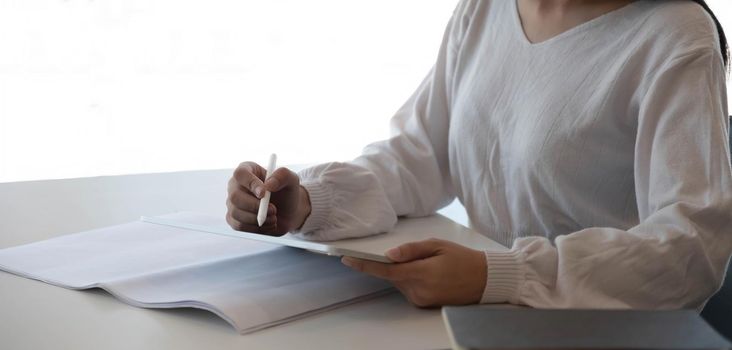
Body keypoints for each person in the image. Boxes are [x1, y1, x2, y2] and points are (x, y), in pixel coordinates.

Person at [226, 0, 732, 309]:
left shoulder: (675, 37)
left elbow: (692, 246)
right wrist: (307, 203)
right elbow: (419, 155)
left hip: (597, 325)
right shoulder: (486, 7)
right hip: (479, 313)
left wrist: (504, 274)